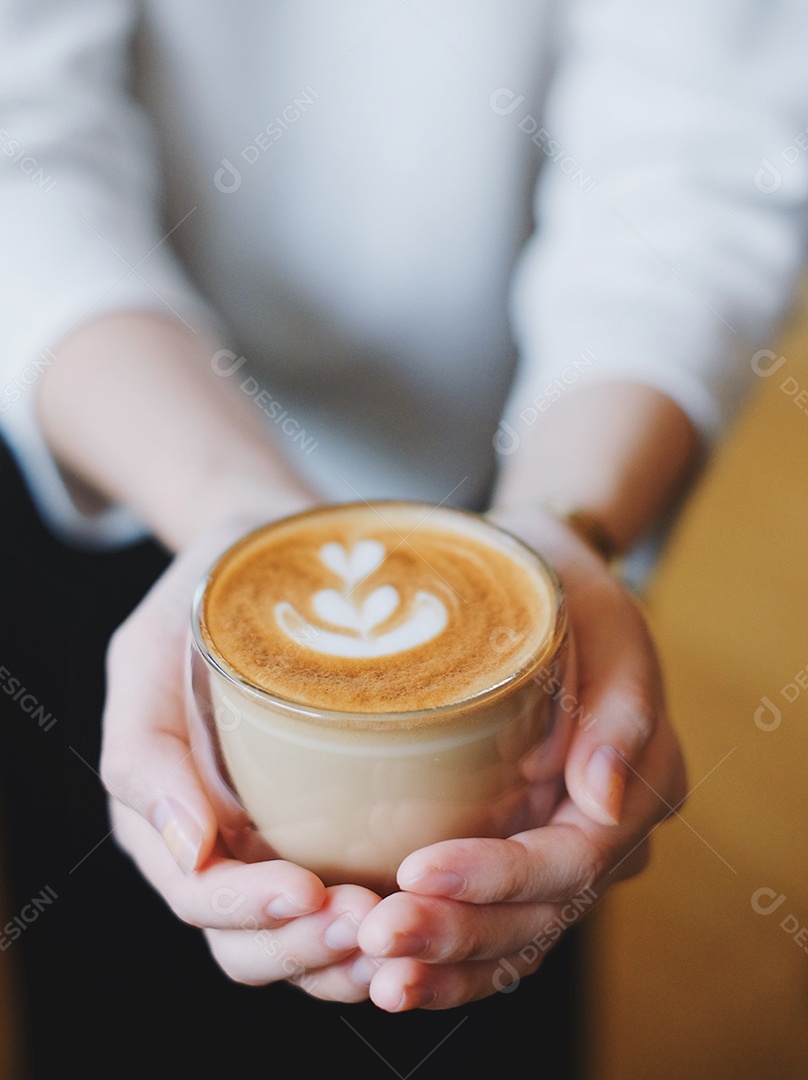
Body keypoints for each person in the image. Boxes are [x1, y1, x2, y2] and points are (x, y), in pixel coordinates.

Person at [1, 0, 807, 1073]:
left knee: (493, 955)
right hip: (110, 422)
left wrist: (564, 519)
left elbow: (703, 135)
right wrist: (225, 506)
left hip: (532, 452)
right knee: (123, 992)